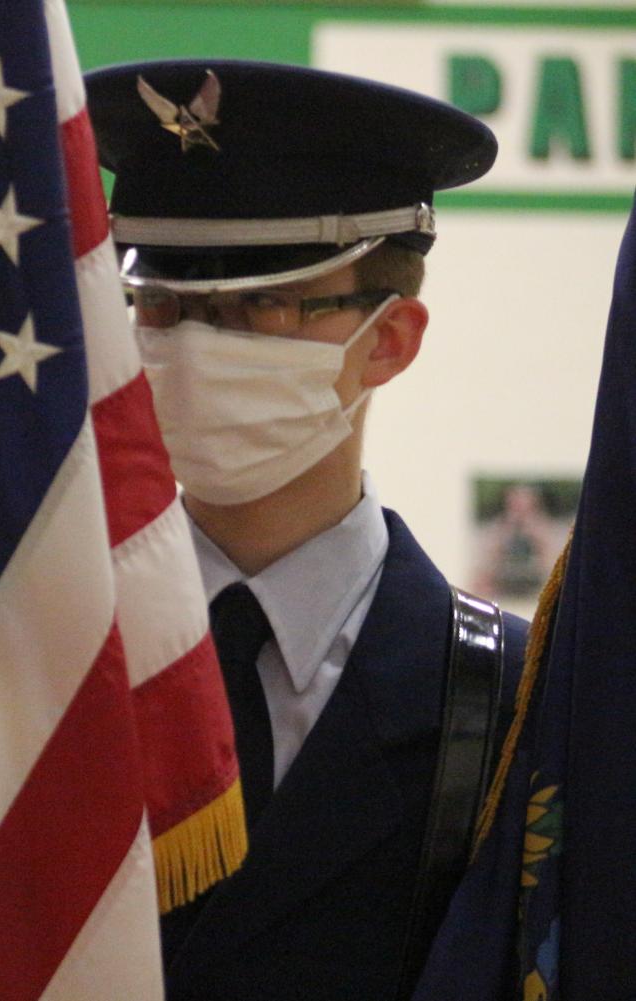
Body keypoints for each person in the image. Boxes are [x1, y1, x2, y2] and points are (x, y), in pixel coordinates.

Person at [84, 60, 529, 1000]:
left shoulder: (515, 703)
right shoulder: (37, 657)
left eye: (263, 305)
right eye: (162, 305)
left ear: (390, 339)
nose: (197, 346)